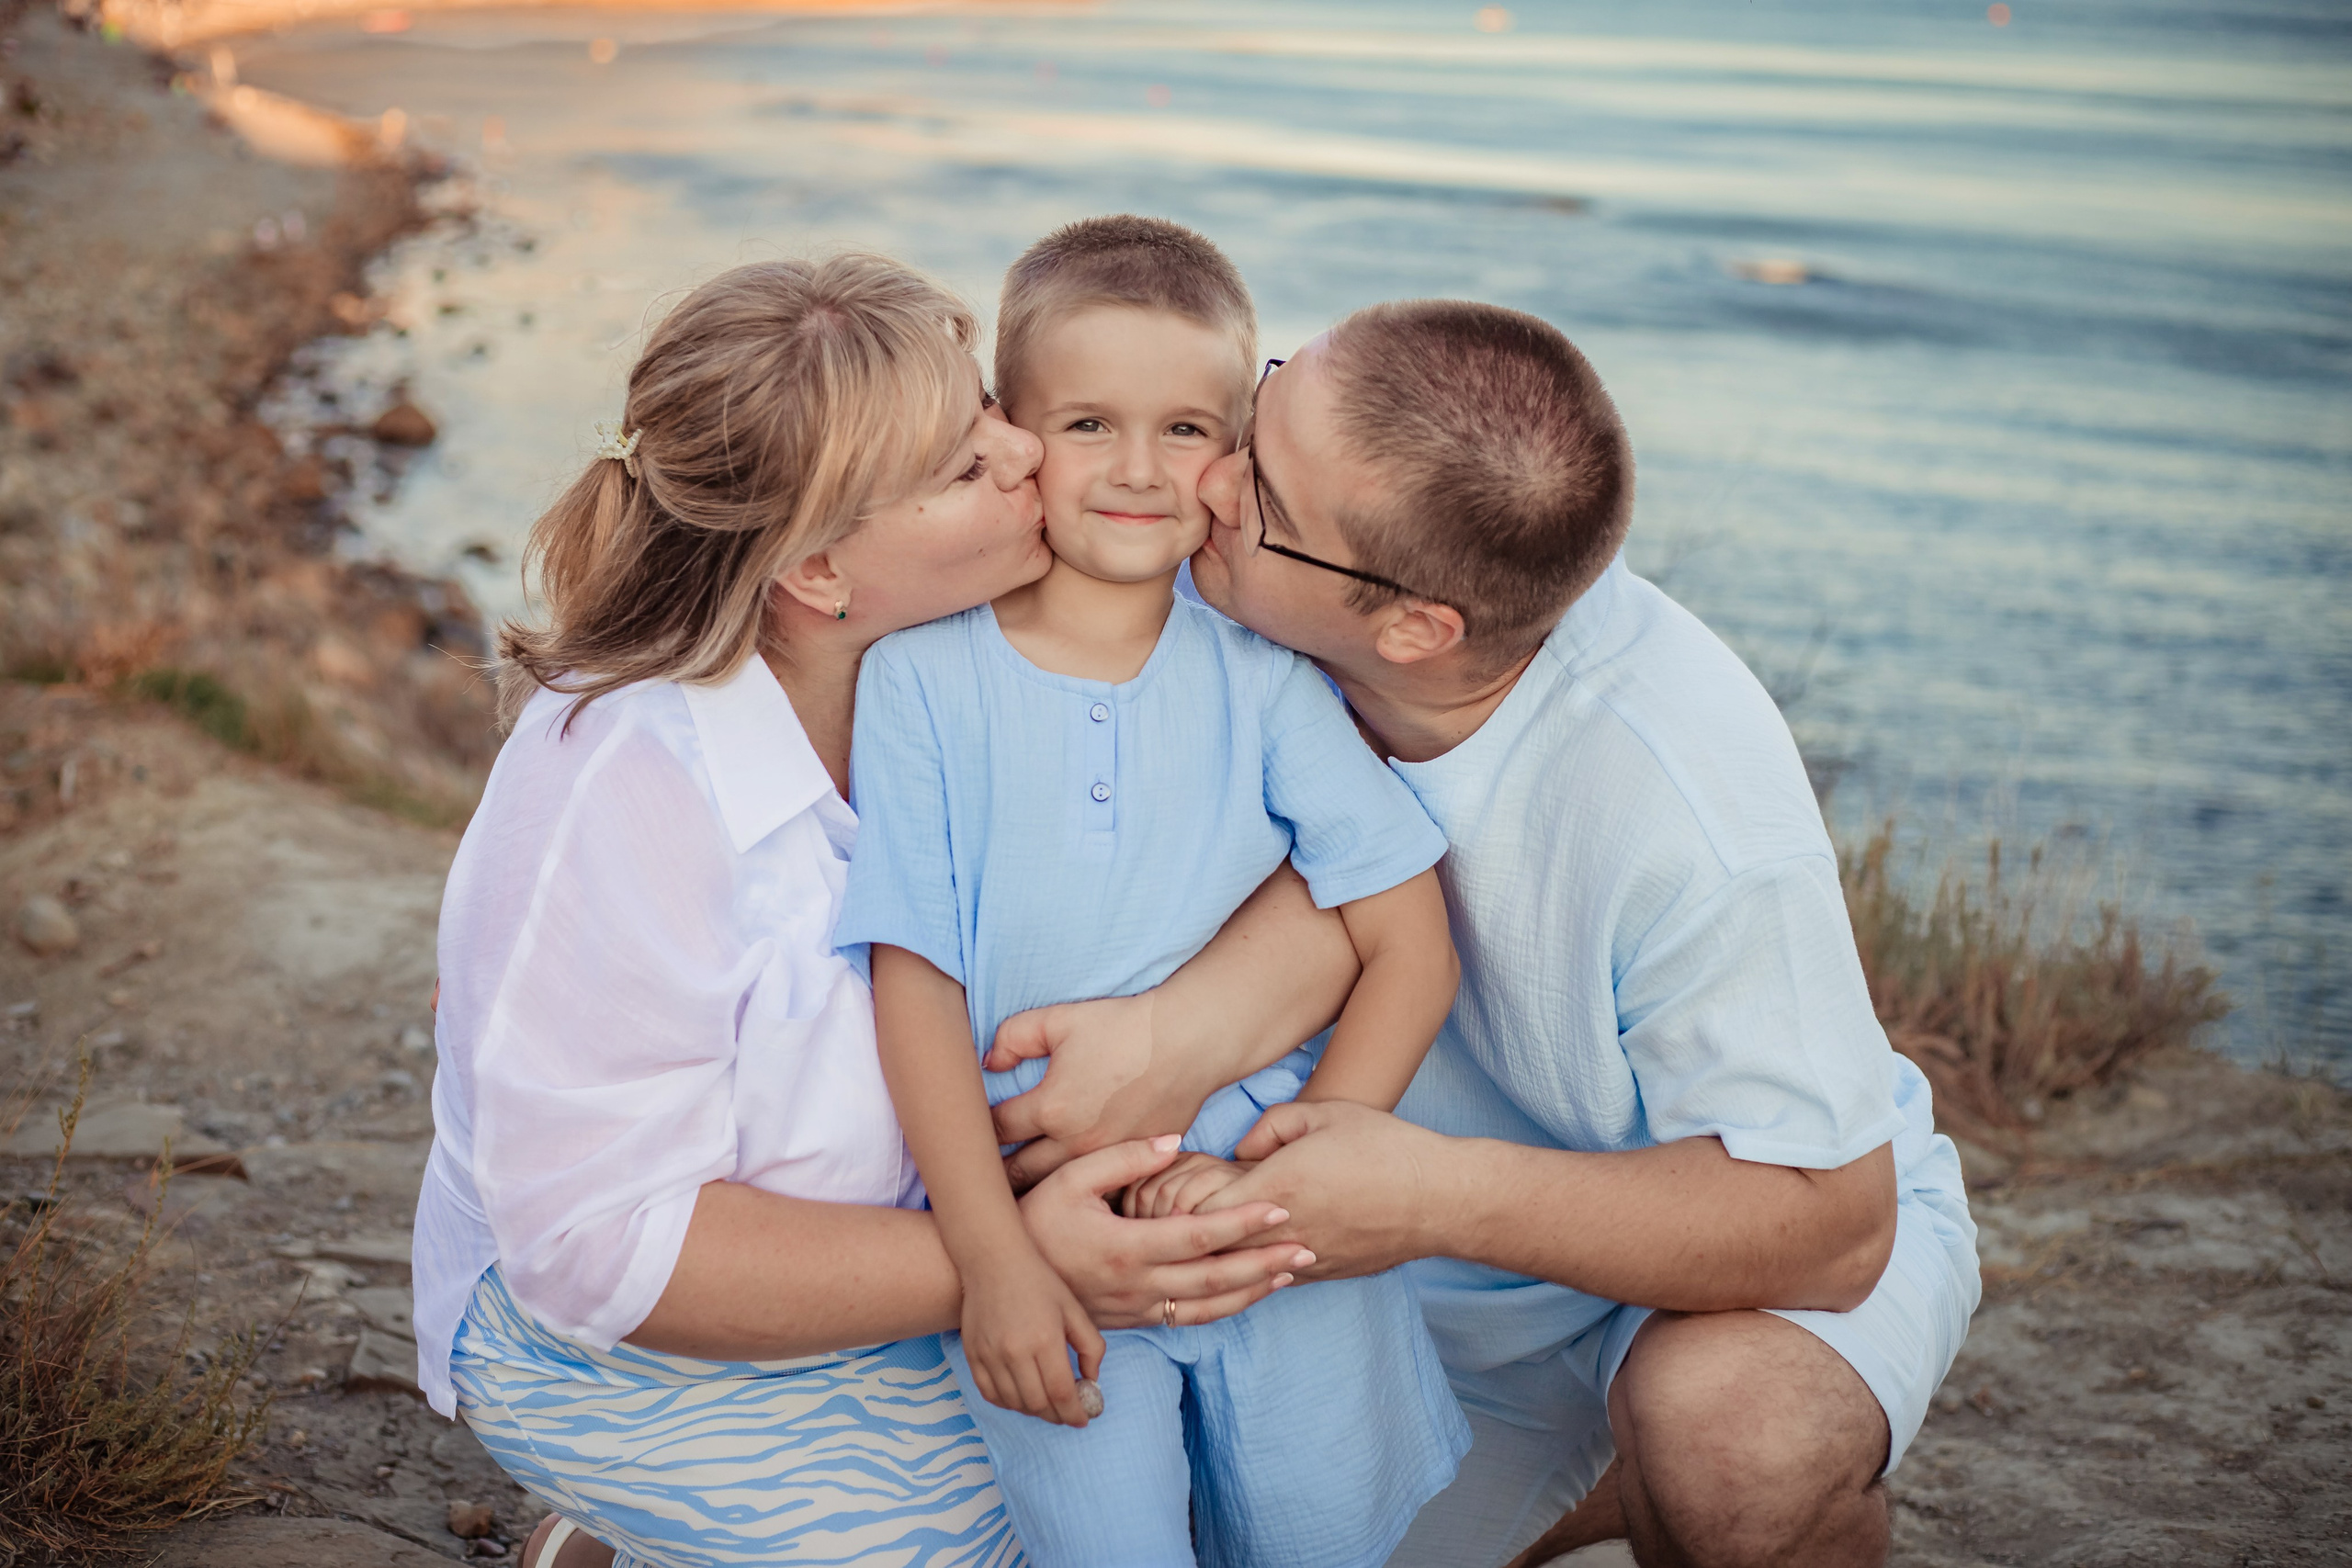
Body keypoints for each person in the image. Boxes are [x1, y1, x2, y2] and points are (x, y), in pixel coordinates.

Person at [1001, 299, 1982, 1568]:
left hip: (1713, 1252)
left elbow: (1836, 1229)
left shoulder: (1684, 809)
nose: (1209, 480)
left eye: (1265, 501)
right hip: (1414, 1281)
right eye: (1263, 404)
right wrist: (1180, 1035)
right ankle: (1587, 1489)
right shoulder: (1324, 504)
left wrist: (1428, 1195)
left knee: (1734, 1447)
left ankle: (1665, 1477)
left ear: (1416, 627)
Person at [413, 254, 1342, 1568]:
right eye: (968, 465)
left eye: (988, 412)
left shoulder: (1008, 623)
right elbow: (599, 1254)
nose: (1032, 450)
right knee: (1043, 1532)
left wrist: (1183, 1034)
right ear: (820, 572)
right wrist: (1015, 1259)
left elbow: (1339, 871)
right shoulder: (630, 791)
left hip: (947, 1260)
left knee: (1255, 1477)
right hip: (622, 1345)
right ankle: (612, 1530)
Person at [836, 217, 1470, 1568]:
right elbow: (913, 982)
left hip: (1259, 1216)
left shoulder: (1270, 674)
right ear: (1010, 430)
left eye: (1187, 429)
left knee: (1316, 1533)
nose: (1136, 471)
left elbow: (1410, 940)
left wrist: (1315, 1158)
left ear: (1237, 450)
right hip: (1047, 1225)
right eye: (1086, 424)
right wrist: (993, 1260)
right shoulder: (920, 681)